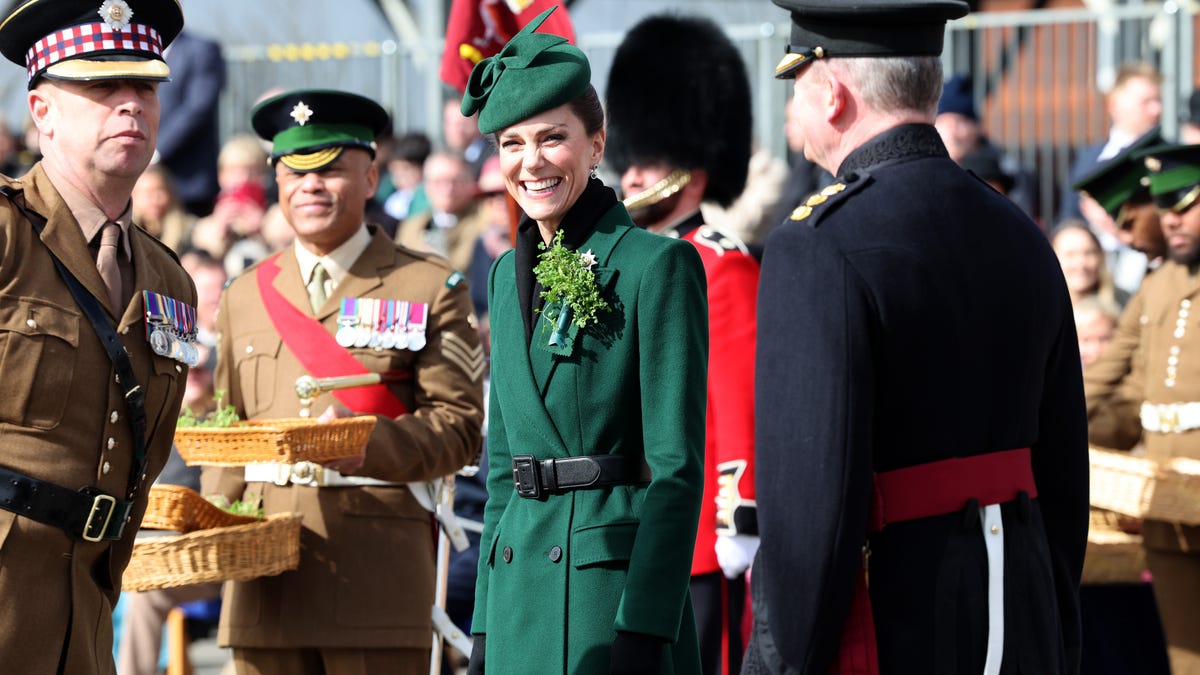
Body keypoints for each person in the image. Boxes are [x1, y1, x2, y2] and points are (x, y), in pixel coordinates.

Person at [747, 1, 1090, 674]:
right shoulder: (1021, 232)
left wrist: (784, 659)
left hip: (893, 621)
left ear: (833, 93)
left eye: (799, 86)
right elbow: (1064, 473)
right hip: (1023, 613)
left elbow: (808, 510)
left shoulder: (814, 245)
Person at [200, 88, 485, 675]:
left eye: (331, 168)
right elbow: (227, 441)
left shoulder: (429, 286)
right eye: (294, 171)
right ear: (276, 181)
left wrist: (367, 442)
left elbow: (459, 433)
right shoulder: (244, 295)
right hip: (264, 589)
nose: (311, 185)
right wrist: (210, 529)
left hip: (375, 585)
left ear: (372, 175)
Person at [460, 8, 708, 674]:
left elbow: (677, 472)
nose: (530, 162)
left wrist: (644, 626)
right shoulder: (502, 278)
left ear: (596, 144)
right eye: (511, 143)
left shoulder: (657, 265)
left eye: (552, 138)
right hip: (518, 604)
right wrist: (484, 627)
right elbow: (506, 474)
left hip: (607, 601)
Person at [0, 1, 196, 673]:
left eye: (144, 86)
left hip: (84, 618)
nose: (131, 105)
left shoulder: (170, 279)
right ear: (42, 111)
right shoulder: (6, 237)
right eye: (100, 86)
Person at [605, 14, 757, 675]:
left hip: (698, 534)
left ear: (692, 173)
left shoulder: (721, 264)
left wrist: (737, 518)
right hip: (626, 528)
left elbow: (737, 400)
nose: (631, 174)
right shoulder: (626, 262)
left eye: (649, 160)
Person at [1084, 143, 1200, 674]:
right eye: (1166, 207)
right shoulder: (1158, 286)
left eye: (1185, 204)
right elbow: (1109, 384)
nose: (1172, 219)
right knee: (1184, 658)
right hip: (1167, 512)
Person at [154, 28, 225, 216]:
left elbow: (199, 107)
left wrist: (157, 151)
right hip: (146, 187)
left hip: (189, 184)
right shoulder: (138, 49)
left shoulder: (201, 50)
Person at [396, 150, 488, 272]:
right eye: (439, 182)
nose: (448, 190)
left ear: (470, 183)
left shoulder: (485, 220)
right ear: (426, 186)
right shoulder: (411, 226)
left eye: (455, 181)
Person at [1050, 222, 1129, 309]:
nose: (1081, 263)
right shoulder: (1039, 308)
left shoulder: (1124, 304)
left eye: (1089, 253)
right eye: (1070, 255)